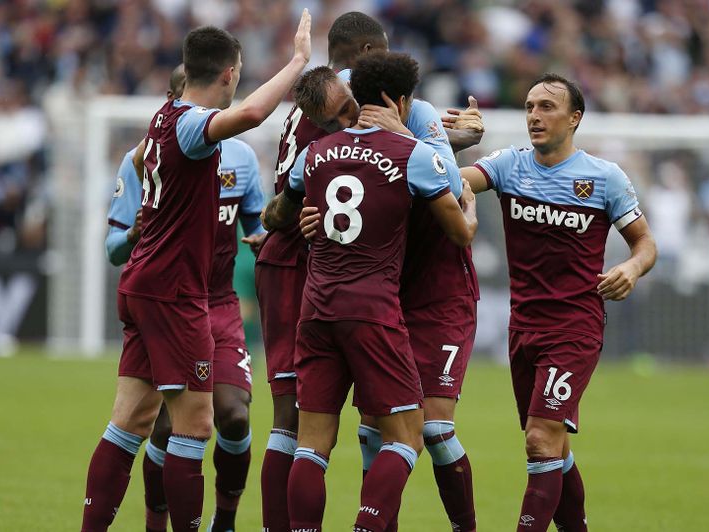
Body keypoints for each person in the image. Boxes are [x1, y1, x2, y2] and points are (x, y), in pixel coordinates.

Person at [80, 13, 311, 532]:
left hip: (147, 285)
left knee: (130, 421)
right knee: (195, 424)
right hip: (176, 293)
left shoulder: (162, 117)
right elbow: (252, 113)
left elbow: (160, 171)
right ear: (229, 74)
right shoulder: (190, 126)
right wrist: (297, 61)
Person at [255, 12, 482, 531]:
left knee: (309, 441)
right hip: (376, 305)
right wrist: (467, 202)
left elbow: (274, 214)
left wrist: (302, 212)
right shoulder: (412, 148)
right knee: (408, 435)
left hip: (318, 303)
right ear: (400, 101)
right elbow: (459, 225)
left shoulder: (314, 149)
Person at [456, 73, 657, 532]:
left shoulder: (603, 178)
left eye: (546, 107)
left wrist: (631, 267)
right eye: (529, 107)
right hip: (523, 327)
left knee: (540, 438)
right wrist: (448, 141)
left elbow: (645, 243)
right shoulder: (509, 165)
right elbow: (447, 181)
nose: (534, 116)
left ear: (575, 118)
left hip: (575, 328)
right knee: (553, 446)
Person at [103, 64, 264, 532]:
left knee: (232, 416)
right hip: (170, 298)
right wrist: (139, 230)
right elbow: (113, 248)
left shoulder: (241, 158)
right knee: (168, 426)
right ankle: (158, 521)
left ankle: (225, 522)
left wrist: (270, 236)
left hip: (218, 302)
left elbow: (255, 227)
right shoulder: (146, 156)